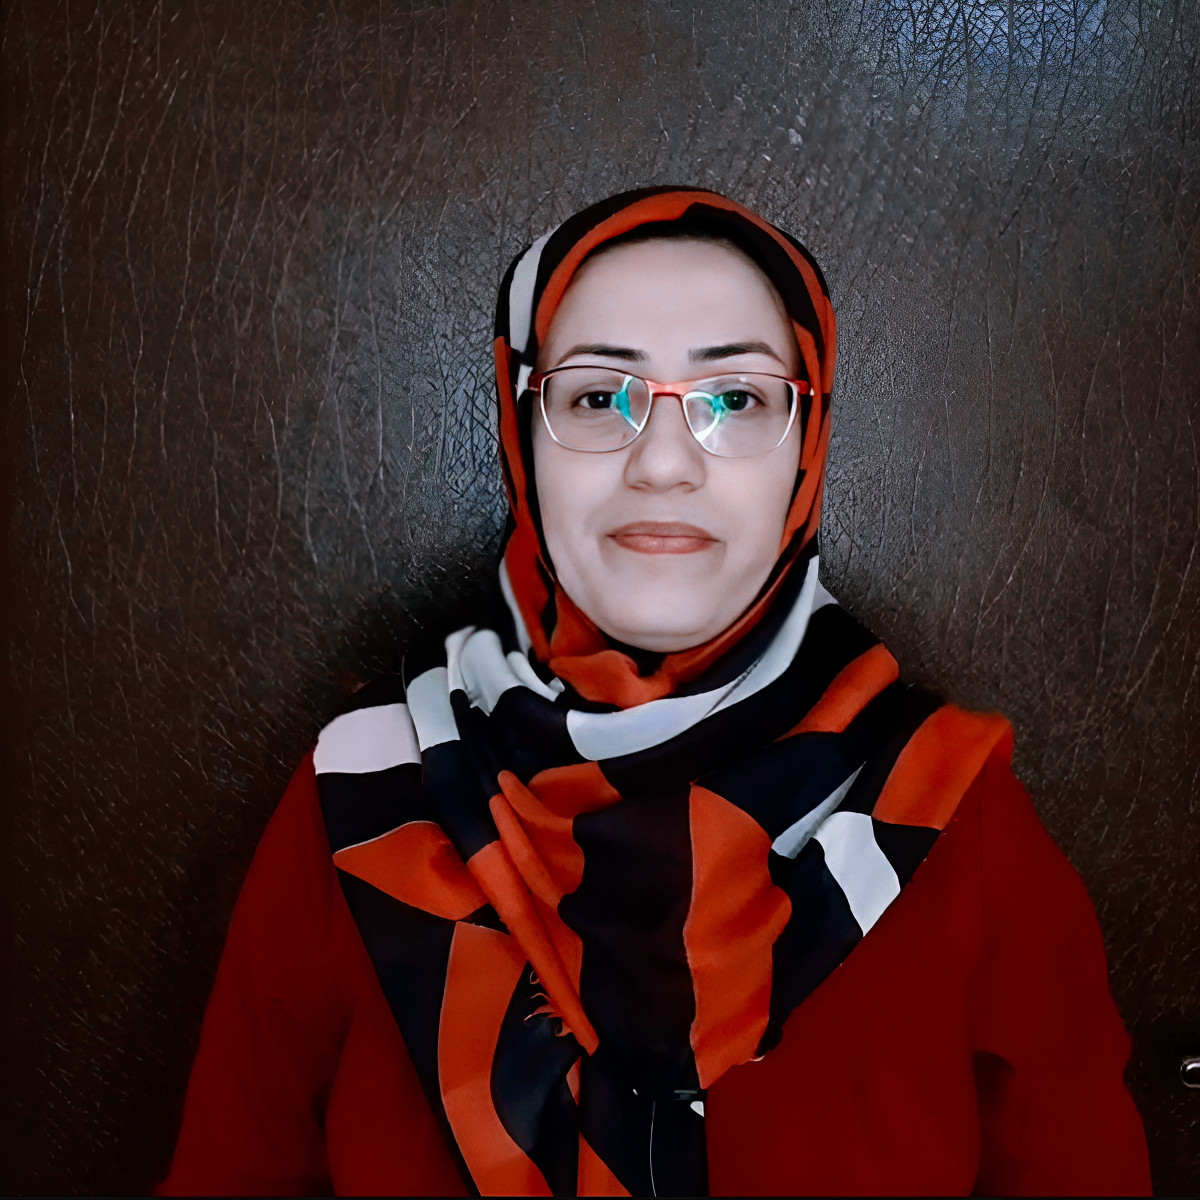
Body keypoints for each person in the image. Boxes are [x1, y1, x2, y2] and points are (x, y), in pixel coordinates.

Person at [158, 187, 1151, 1196]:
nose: (665, 462)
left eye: (736, 399)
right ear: (521, 427)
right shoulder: (367, 791)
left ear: (807, 441)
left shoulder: (947, 808)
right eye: (598, 398)